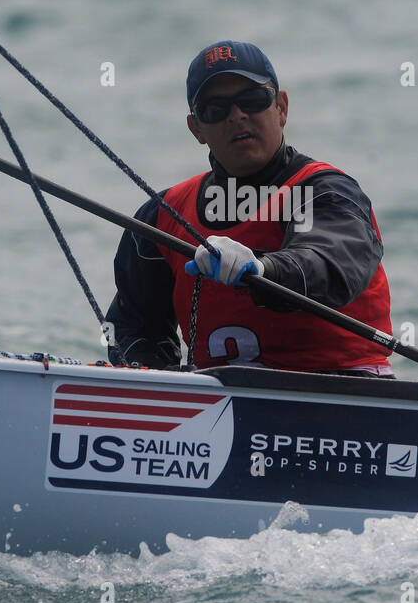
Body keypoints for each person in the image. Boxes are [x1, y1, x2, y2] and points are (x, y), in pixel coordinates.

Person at [104, 40, 394, 375]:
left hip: (343, 394)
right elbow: (132, 327)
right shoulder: (162, 216)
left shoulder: (327, 192)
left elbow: (330, 263)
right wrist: (162, 381)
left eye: (253, 100)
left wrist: (262, 269)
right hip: (217, 405)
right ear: (196, 128)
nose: (237, 116)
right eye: (215, 109)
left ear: (281, 108)